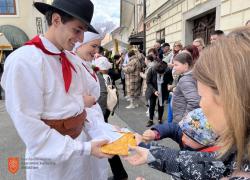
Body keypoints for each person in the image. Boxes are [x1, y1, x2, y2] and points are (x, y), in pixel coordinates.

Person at [1, 1, 111, 180]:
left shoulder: (72, 60)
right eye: (77, 30)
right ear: (56, 19)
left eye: (83, 31)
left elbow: (86, 105)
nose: (81, 39)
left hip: (80, 157)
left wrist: (108, 133)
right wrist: (84, 148)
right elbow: (32, 129)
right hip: (52, 163)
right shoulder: (25, 61)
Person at [125, 26, 250, 179]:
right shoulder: (240, 148)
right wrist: (149, 152)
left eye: (203, 96)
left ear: (231, 98)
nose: (201, 105)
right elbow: (210, 164)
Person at [142, 108, 218, 151]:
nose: (182, 138)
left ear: (204, 142)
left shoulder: (210, 157)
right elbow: (173, 129)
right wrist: (155, 133)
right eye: (183, 132)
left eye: (188, 137)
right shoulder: (186, 136)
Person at [172, 52, 200, 122]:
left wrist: (184, 120)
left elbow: (194, 101)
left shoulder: (185, 80)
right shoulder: (193, 75)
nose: (174, 68)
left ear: (185, 65)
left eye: (176, 65)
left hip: (181, 120)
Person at [145, 61, 173, 127]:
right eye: (160, 74)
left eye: (163, 73)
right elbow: (148, 82)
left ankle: (160, 119)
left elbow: (171, 79)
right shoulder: (152, 70)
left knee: (161, 105)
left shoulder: (168, 70)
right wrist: (154, 91)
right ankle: (150, 120)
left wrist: (169, 84)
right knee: (151, 105)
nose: (161, 75)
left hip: (163, 90)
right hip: (153, 90)